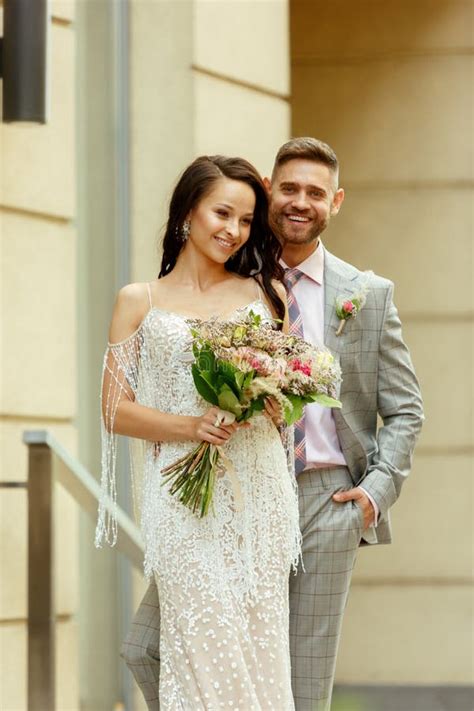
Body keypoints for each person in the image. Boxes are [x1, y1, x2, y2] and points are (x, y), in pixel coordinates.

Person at [122, 138, 424, 711]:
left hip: (324, 498)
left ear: (335, 202)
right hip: (226, 491)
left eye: (315, 192)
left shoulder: (368, 294)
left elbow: (406, 408)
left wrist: (374, 494)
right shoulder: (236, 276)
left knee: (300, 684)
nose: (300, 202)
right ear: (268, 192)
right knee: (148, 649)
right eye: (288, 188)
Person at [96, 155, 302, 710]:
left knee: (260, 656)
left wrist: (277, 402)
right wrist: (191, 426)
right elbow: (115, 410)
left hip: (258, 496)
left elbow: (288, 394)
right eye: (222, 213)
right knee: (202, 651)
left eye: (244, 220)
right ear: (189, 210)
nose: (232, 231)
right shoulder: (139, 300)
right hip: (181, 501)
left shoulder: (266, 297)